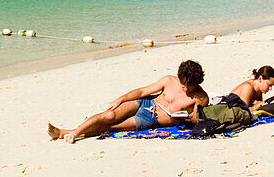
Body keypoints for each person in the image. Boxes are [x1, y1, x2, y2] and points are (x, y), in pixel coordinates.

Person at [47, 60, 208, 143]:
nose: (186, 88)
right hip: (145, 103)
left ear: (198, 82)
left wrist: (184, 118)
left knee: (111, 127)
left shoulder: (201, 97)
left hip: (151, 119)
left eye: (190, 85)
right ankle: (72, 132)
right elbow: (142, 91)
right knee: (108, 116)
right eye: (183, 84)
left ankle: (65, 133)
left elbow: (196, 119)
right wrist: (120, 99)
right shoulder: (169, 80)